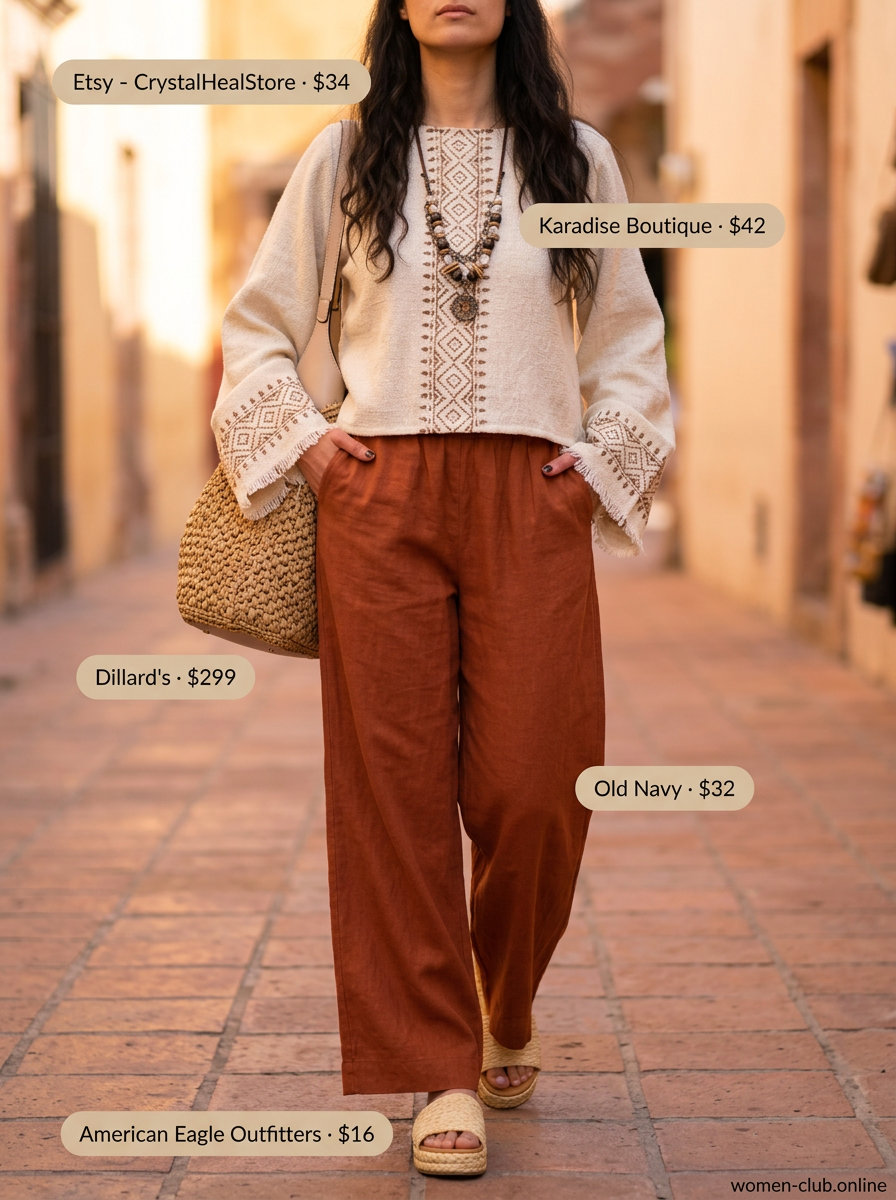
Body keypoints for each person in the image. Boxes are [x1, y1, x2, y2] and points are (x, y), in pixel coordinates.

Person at [212, 0, 674, 1177]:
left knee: (535, 781)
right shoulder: (342, 153)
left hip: (532, 492)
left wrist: (594, 466)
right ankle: (438, 1071)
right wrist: (310, 445)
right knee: (394, 792)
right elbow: (256, 328)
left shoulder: (579, 160)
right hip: (381, 498)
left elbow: (626, 338)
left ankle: (500, 995)